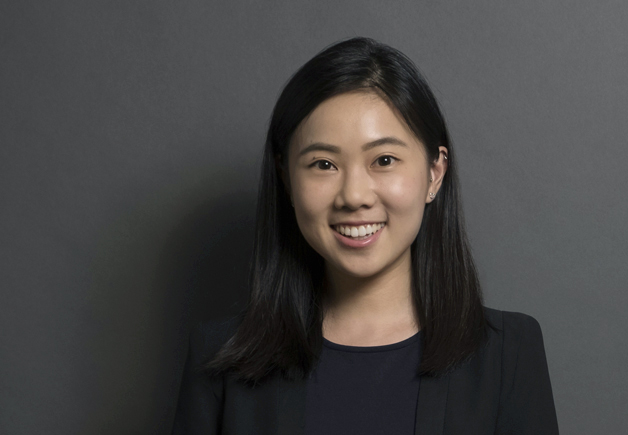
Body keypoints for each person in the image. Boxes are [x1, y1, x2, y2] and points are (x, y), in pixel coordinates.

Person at [171, 37, 558, 435]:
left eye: (384, 160)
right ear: (286, 179)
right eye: (323, 164)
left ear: (434, 174)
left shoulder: (508, 353)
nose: (354, 196)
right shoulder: (218, 359)